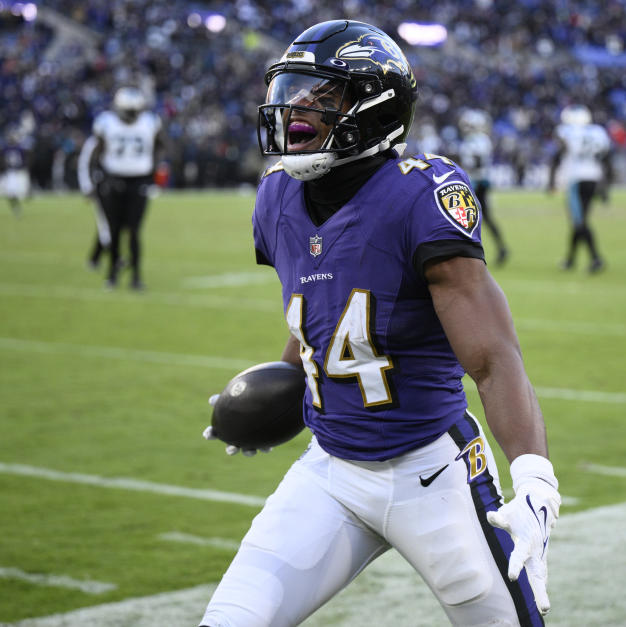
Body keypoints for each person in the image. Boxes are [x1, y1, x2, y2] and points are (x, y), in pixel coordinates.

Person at [199, 20, 559, 627]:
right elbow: (319, 312)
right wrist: (275, 390)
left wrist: (534, 476)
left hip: (432, 471)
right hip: (331, 470)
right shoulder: (277, 198)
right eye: (294, 90)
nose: (297, 108)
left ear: (375, 106)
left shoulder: (421, 195)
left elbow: (493, 356)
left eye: (322, 95)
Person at [82, 86, 163, 290]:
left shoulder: (150, 122)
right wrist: (93, 179)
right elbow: (94, 152)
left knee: (134, 230)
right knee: (114, 230)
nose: (131, 115)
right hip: (113, 179)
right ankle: (112, 274)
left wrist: (153, 174)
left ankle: (136, 276)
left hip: (139, 181)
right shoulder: (106, 122)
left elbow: (160, 147)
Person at [547, 104, 611, 273]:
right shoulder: (598, 132)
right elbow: (606, 159)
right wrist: (605, 188)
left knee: (579, 221)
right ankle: (570, 259)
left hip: (575, 178)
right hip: (593, 179)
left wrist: (551, 181)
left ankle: (596, 258)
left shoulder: (566, 131)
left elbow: (558, 156)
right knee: (579, 220)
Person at [456, 108, 508, 265]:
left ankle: (468, 253)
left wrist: (466, 167)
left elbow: (477, 162)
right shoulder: (483, 139)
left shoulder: (475, 140)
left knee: (465, 218)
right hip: (481, 181)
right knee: (481, 217)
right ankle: (501, 248)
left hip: (476, 182)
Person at [77, 134, 111, 270]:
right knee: (105, 224)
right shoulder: (93, 142)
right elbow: (84, 163)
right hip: (101, 187)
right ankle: (112, 257)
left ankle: (95, 259)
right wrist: (86, 186)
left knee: (112, 224)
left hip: (116, 187)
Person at [1, 130, 31, 217]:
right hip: (10, 173)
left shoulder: (19, 148)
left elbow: (27, 157)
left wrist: (24, 166)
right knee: (10, 193)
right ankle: (16, 207)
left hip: (18, 172)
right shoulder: (6, 148)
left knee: (18, 192)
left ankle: (18, 205)